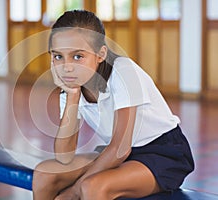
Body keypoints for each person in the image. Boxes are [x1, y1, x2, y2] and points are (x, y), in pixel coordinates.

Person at [32, 10, 194, 200]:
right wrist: (73, 96)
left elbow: (120, 148)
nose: (67, 67)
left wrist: (73, 192)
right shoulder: (70, 85)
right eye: (58, 56)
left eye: (77, 56)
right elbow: (63, 156)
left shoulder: (124, 72)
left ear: (100, 54)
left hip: (162, 153)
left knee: (92, 187)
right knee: (45, 175)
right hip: (119, 153)